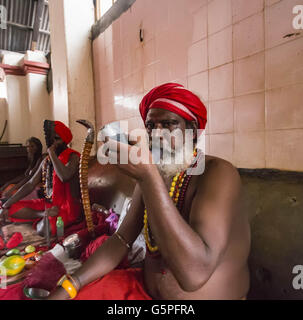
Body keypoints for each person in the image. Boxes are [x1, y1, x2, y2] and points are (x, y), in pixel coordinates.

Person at [47, 83, 251, 300]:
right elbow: (122, 239)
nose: (157, 134)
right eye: (151, 126)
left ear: (192, 132)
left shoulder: (218, 173)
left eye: (169, 124)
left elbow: (194, 275)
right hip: (143, 291)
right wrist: (72, 284)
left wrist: (148, 176)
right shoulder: (156, 171)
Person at [0, 120, 82, 236]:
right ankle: (42, 215)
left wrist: (52, 154)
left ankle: (42, 218)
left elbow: (65, 176)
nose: (52, 143)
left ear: (64, 140)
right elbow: (30, 184)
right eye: (51, 140)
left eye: (56, 139)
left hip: (66, 208)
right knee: (11, 207)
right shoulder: (46, 160)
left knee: (44, 229)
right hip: (48, 204)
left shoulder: (73, 156)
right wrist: (5, 205)